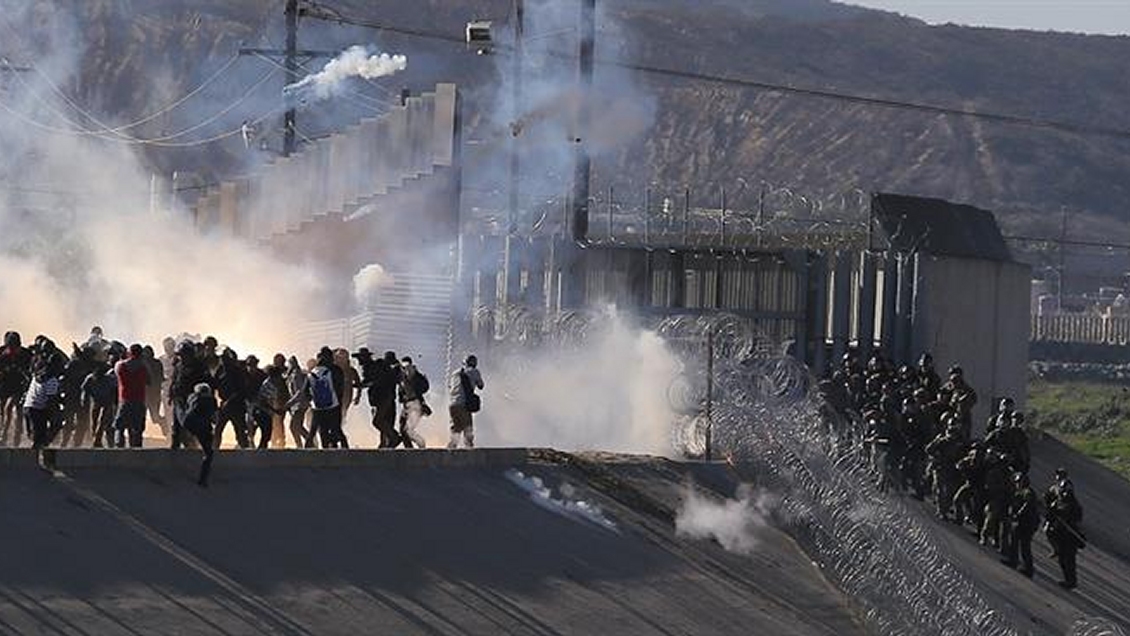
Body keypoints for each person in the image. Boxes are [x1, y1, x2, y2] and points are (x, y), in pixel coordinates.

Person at [1045, 468, 1085, 589]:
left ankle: (1071, 581)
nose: (1064, 494)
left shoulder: (1074, 505)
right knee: (1062, 559)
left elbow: (1076, 519)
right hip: (1061, 532)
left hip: (1070, 534)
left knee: (1069, 559)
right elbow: (1050, 506)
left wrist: (1063, 516)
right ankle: (1068, 579)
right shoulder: (1057, 498)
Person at [168, 341, 209, 450]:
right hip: (179, 398)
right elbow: (174, 380)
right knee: (176, 425)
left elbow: (205, 383)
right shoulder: (179, 366)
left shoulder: (200, 367)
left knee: (188, 423)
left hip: (193, 400)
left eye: (185, 354)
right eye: (181, 355)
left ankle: (193, 445)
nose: (182, 357)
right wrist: (170, 394)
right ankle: (175, 447)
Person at [23, 345, 64, 449]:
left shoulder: (38, 373)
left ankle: (40, 445)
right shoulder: (52, 380)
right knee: (57, 422)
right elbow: (51, 401)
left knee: (38, 437)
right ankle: (43, 445)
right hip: (38, 409)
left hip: (28, 407)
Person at [305, 347, 347, 449]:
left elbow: (305, 390)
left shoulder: (313, 372)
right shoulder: (336, 370)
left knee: (319, 431)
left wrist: (313, 401)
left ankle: (323, 452)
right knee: (337, 430)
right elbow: (340, 388)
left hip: (318, 407)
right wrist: (338, 402)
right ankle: (346, 452)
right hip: (334, 406)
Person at [1001, 472, 1040, 578]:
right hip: (1021, 522)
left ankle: (1028, 569)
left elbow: (1028, 504)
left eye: (1018, 482)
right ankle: (1013, 560)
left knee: (1025, 545)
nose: (1017, 484)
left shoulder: (1028, 492)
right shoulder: (1019, 492)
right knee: (1014, 541)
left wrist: (1019, 513)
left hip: (1027, 523)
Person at [112, 344, 150, 448]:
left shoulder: (120, 365)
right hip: (139, 399)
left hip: (125, 399)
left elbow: (116, 371)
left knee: (120, 426)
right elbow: (149, 381)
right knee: (137, 428)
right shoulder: (143, 367)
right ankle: (137, 448)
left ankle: (119, 447)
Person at [183, 383, 218, 487]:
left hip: (188, 424)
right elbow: (214, 418)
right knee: (208, 453)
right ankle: (203, 479)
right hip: (203, 427)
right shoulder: (211, 400)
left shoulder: (191, 397)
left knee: (189, 440)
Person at [448, 354, 483, 449]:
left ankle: (450, 452)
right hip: (463, 404)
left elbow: (450, 387)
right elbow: (481, 385)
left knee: (456, 430)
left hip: (452, 405)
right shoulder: (474, 371)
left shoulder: (455, 373)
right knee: (468, 430)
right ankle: (469, 452)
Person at [251, 364, 289, 450]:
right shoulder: (269, 385)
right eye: (279, 376)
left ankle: (261, 449)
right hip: (261, 411)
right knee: (266, 433)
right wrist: (275, 410)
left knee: (267, 434)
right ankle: (260, 450)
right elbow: (263, 402)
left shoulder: (272, 384)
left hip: (265, 412)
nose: (280, 378)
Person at [83, 358, 119, 448]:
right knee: (97, 421)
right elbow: (85, 390)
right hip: (98, 401)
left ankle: (97, 440)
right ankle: (96, 440)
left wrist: (115, 401)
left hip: (104, 402)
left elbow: (114, 390)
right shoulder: (93, 378)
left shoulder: (108, 379)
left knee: (101, 421)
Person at [397, 356, 430, 448]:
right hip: (407, 405)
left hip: (415, 404)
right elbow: (402, 390)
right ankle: (410, 449)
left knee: (407, 429)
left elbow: (422, 388)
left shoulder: (415, 375)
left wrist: (413, 373)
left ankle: (420, 443)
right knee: (403, 429)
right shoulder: (402, 376)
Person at [284, 356, 311, 448]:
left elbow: (299, 392)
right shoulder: (293, 374)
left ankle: (302, 444)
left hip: (300, 404)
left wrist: (289, 403)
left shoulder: (297, 375)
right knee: (298, 427)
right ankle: (307, 443)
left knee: (294, 427)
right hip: (298, 404)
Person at [141, 345, 167, 437]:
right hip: (144, 395)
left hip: (154, 395)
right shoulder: (142, 364)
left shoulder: (156, 363)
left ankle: (163, 423)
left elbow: (160, 378)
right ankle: (138, 436)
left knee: (155, 418)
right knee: (142, 416)